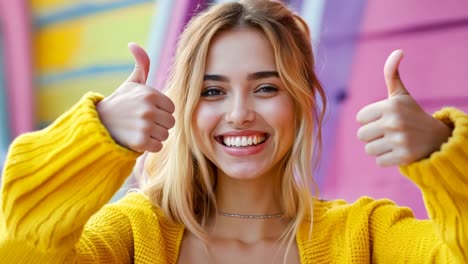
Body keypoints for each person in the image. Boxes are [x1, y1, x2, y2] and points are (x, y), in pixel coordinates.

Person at [1, 1, 467, 263]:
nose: (240, 113)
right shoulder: (131, 235)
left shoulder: (364, 237)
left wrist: (444, 153)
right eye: (213, 91)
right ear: (184, 108)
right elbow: (20, 250)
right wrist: (96, 135)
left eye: (266, 87)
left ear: (302, 100)